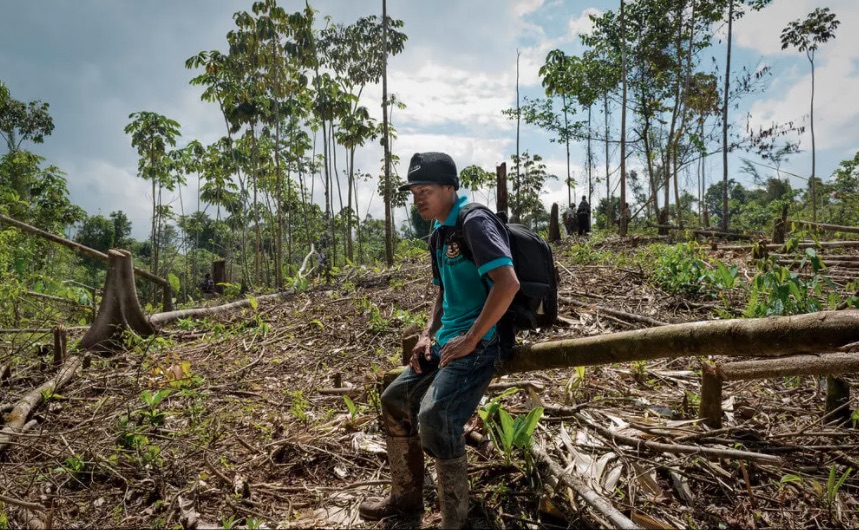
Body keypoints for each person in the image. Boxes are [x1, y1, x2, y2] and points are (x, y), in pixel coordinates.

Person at [358, 152, 520, 529]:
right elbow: (441, 292)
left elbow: (508, 283)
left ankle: (455, 519)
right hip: (447, 342)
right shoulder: (438, 232)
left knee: (436, 416)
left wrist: (472, 338)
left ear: (450, 187)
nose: (418, 199)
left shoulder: (474, 222)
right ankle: (405, 498)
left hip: (483, 341)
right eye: (414, 192)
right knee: (394, 400)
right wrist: (427, 334)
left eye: (426, 190)